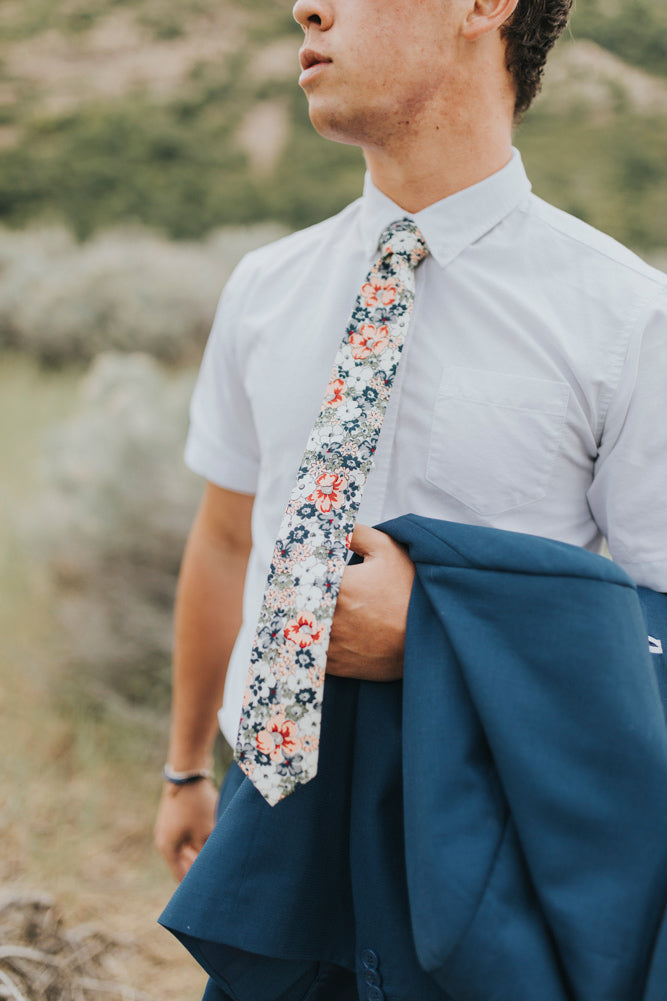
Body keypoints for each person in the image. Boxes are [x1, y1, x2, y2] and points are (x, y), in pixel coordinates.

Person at [155, 0, 667, 996]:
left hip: (479, 859)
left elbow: (655, 613)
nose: (306, 6)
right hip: (271, 845)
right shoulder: (265, 288)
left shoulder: (627, 318)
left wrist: (434, 629)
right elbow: (224, 539)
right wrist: (183, 766)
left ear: (482, 7)